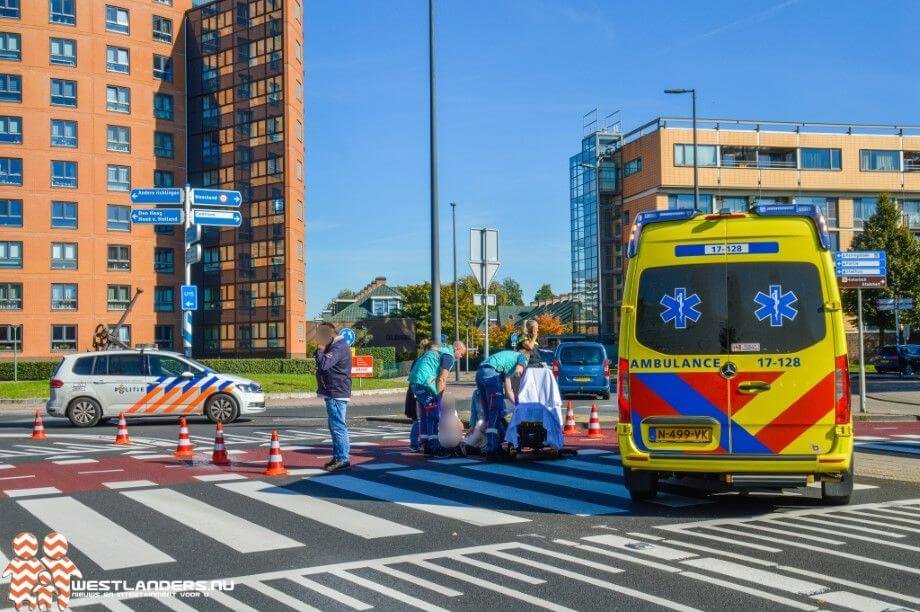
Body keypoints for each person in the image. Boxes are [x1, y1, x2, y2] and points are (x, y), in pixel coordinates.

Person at [407, 340, 467, 455]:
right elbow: (442, 379)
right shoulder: (448, 357)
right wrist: (439, 399)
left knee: (424, 416)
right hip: (426, 385)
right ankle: (435, 448)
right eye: (461, 354)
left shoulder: (437, 351)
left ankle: (426, 446)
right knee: (433, 417)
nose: (461, 357)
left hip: (415, 384)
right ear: (456, 349)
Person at [476, 343, 530, 458]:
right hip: (492, 374)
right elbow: (522, 362)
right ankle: (493, 448)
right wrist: (520, 369)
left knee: (488, 412)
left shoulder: (507, 358)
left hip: (480, 373)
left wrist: (517, 403)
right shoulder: (521, 356)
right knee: (495, 412)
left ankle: (495, 444)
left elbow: (508, 390)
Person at [314, 322, 352, 471]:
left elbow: (324, 364)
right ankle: (338, 456)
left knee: (337, 426)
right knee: (334, 426)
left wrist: (320, 349)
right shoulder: (337, 346)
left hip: (336, 392)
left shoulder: (338, 347)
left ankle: (342, 458)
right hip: (334, 391)